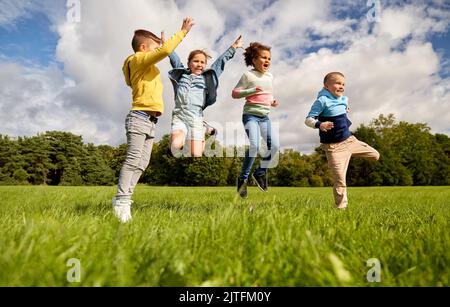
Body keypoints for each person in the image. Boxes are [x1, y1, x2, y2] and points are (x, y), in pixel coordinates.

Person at [112, 18, 194, 223]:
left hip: (150, 121)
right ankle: (122, 201)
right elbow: (164, 51)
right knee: (133, 160)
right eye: (154, 47)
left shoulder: (144, 65)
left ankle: (124, 198)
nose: (158, 50)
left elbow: (162, 50)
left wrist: (162, 44)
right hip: (139, 117)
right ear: (143, 47)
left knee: (142, 163)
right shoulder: (136, 59)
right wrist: (182, 31)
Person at [305, 72, 380, 209]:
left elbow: (343, 107)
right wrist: (320, 125)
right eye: (338, 83)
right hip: (334, 148)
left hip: (350, 141)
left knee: (376, 155)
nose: (341, 86)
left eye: (343, 84)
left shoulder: (344, 99)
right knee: (340, 180)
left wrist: (345, 109)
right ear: (326, 86)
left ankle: (351, 156)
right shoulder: (322, 101)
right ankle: (341, 209)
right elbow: (308, 120)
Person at [167, 35, 244, 158]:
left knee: (196, 154)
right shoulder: (182, 74)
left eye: (202, 62)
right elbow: (172, 56)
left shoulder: (207, 77)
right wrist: (165, 44)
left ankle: (203, 128)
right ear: (189, 63)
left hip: (196, 117)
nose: (199, 64)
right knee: (175, 146)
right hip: (179, 115)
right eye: (196, 61)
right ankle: (184, 138)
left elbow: (220, 62)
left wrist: (234, 46)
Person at [232, 42, 280, 198]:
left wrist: (272, 101)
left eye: (269, 58)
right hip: (250, 115)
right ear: (254, 59)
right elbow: (235, 93)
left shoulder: (270, 76)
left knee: (274, 146)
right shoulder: (248, 75)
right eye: (263, 57)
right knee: (255, 145)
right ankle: (242, 179)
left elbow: (267, 93)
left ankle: (260, 173)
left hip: (264, 117)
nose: (267, 61)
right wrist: (252, 90)